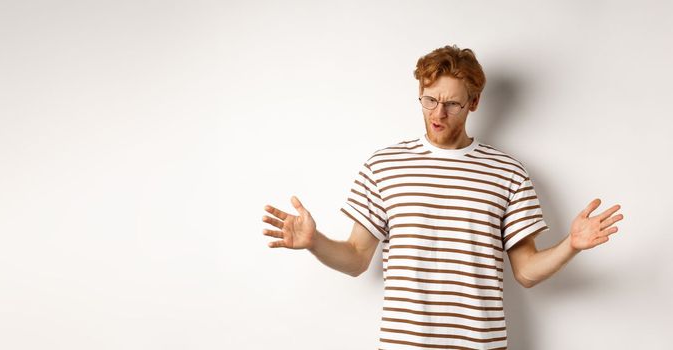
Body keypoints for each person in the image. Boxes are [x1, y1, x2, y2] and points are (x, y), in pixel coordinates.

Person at [260, 45, 624, 349]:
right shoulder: (384, 165)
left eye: (452, 103)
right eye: (429, 100)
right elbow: (356, 259)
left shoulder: (508, 172)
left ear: (475, 102)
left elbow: (526, 272)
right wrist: (314, 242)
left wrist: (571, 245)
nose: (438, 113)